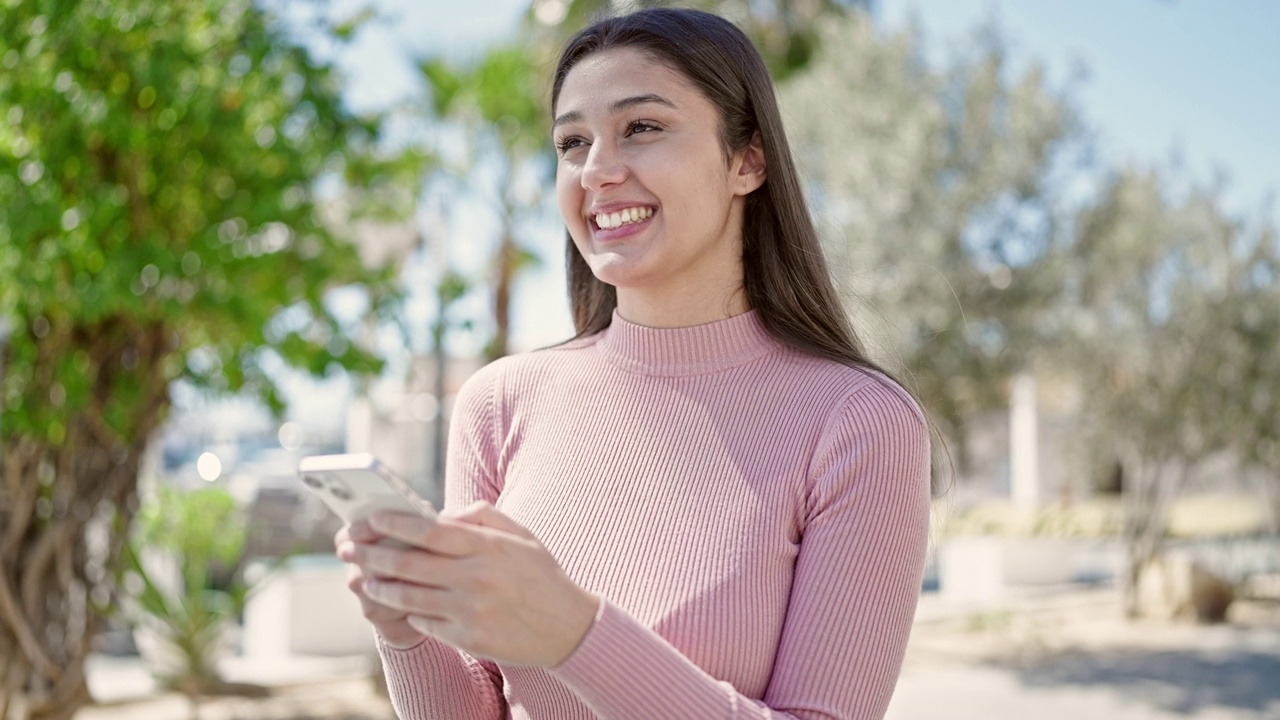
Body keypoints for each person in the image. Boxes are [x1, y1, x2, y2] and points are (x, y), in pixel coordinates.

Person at [335, 7, 931, 719]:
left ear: (747, 161)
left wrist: (573, 631)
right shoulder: (499, 404)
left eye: (642, 128)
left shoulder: (859, 423)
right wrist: (404, 626)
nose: (598, 171)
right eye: (572, 142)